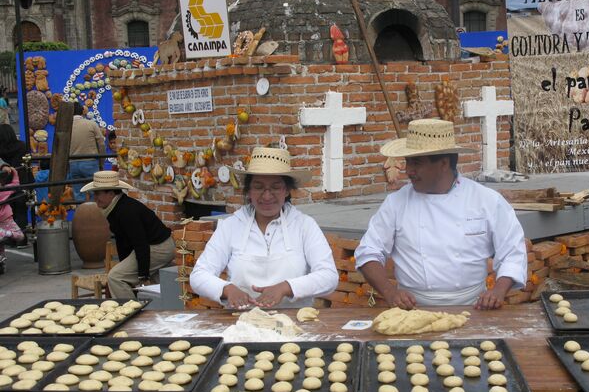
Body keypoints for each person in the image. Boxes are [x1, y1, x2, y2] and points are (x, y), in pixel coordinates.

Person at [354, 118, 527, 310]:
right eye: (407, 162)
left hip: (475, 308)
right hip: (411, 310)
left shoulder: (486, 200)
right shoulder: (395, 203)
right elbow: (368, 252)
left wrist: (498, 291)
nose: (408, 171)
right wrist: (390, 293)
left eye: (416, 163)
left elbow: (513, 252)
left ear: (444, 163)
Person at [190, 147, 338, 309]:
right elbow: (198, 275)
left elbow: (329, 277)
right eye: (259, 187)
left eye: (275, 187)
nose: (267, 196)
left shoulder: (304, 225)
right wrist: (227, 289)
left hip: (294, 325)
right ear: (249, 191)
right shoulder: (231, 226)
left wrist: (286, 287)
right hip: (241, 324)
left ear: (287, 190)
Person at [80, 171, 175, 299]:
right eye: (94, 194)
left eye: (98, 194)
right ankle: (154, 309)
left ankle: (131, 311)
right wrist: (125, 266)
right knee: (126, 275)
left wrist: (143, 275)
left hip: (159, 247)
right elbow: (123, 242)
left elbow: (140, 243)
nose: (95, 198)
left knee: (116, 277)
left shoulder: (126, 211)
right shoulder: (115, 208)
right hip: (153, 246)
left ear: (111, 193)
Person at [0, 124, 30, 245]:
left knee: (8, 213)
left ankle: (10, 238)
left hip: (5, 184)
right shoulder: (22, 146)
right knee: (22, 209)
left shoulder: (0, 149)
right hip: (22, 180)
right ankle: (22, 239)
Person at [69, 102, 104, 202]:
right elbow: (101, 143)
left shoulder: (66, 128)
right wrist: (101, 161)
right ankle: (95, 215)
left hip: (73, 163)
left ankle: (82, 216)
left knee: (78, 194)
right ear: (82, 112)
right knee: (95, 193)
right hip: (90, 162)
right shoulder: (91, 124)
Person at [0, 159, 25, 274]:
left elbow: (15, 185)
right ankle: (2, 263)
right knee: (19, 236)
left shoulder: (4, 190)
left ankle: (3, 233)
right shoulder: (4, 190)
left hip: (6, 219)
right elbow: (16, 184)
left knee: (3, 243)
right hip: (6, 218)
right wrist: (14, 172)